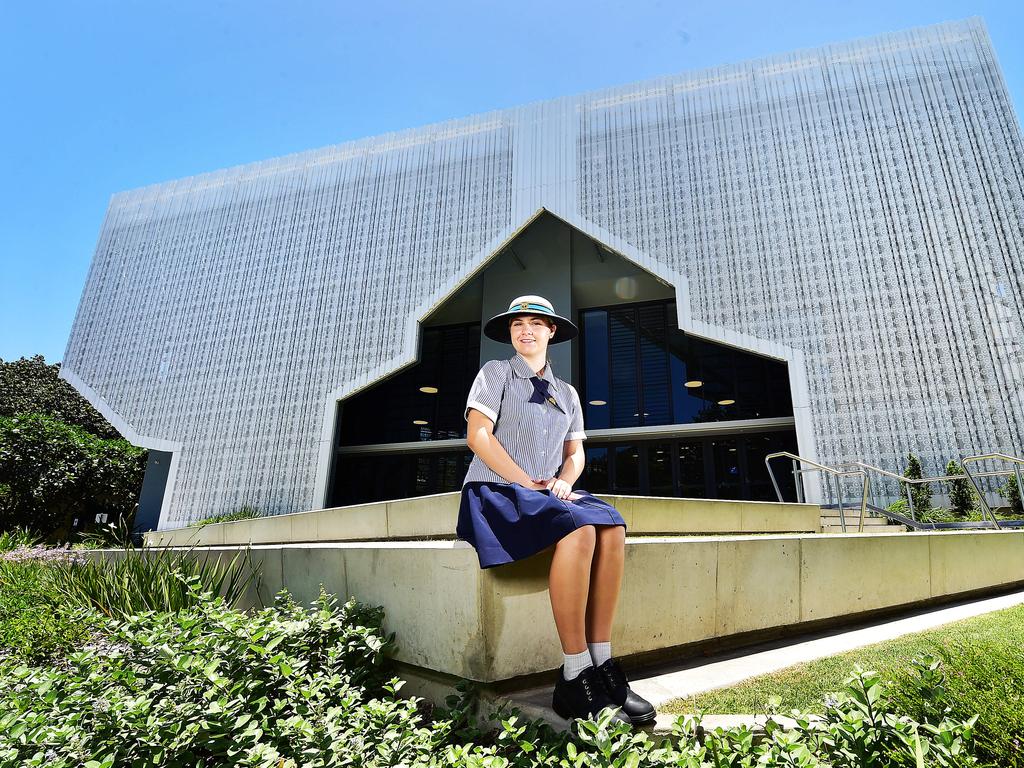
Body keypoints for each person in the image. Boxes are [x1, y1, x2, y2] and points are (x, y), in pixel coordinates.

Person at [457, 295, 656, 727]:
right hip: (496, 490)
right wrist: (525, 480)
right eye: (517, 324)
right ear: (510, 333)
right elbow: (479, 437)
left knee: (611, 525)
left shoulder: (566, 393)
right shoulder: (495, 373)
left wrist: (565, 478)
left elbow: (576, 453)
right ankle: (574, 672)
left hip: (544, 493)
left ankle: (603, 663)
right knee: (580, 529)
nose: (525, 330)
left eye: (535, 323)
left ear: (552, 332)